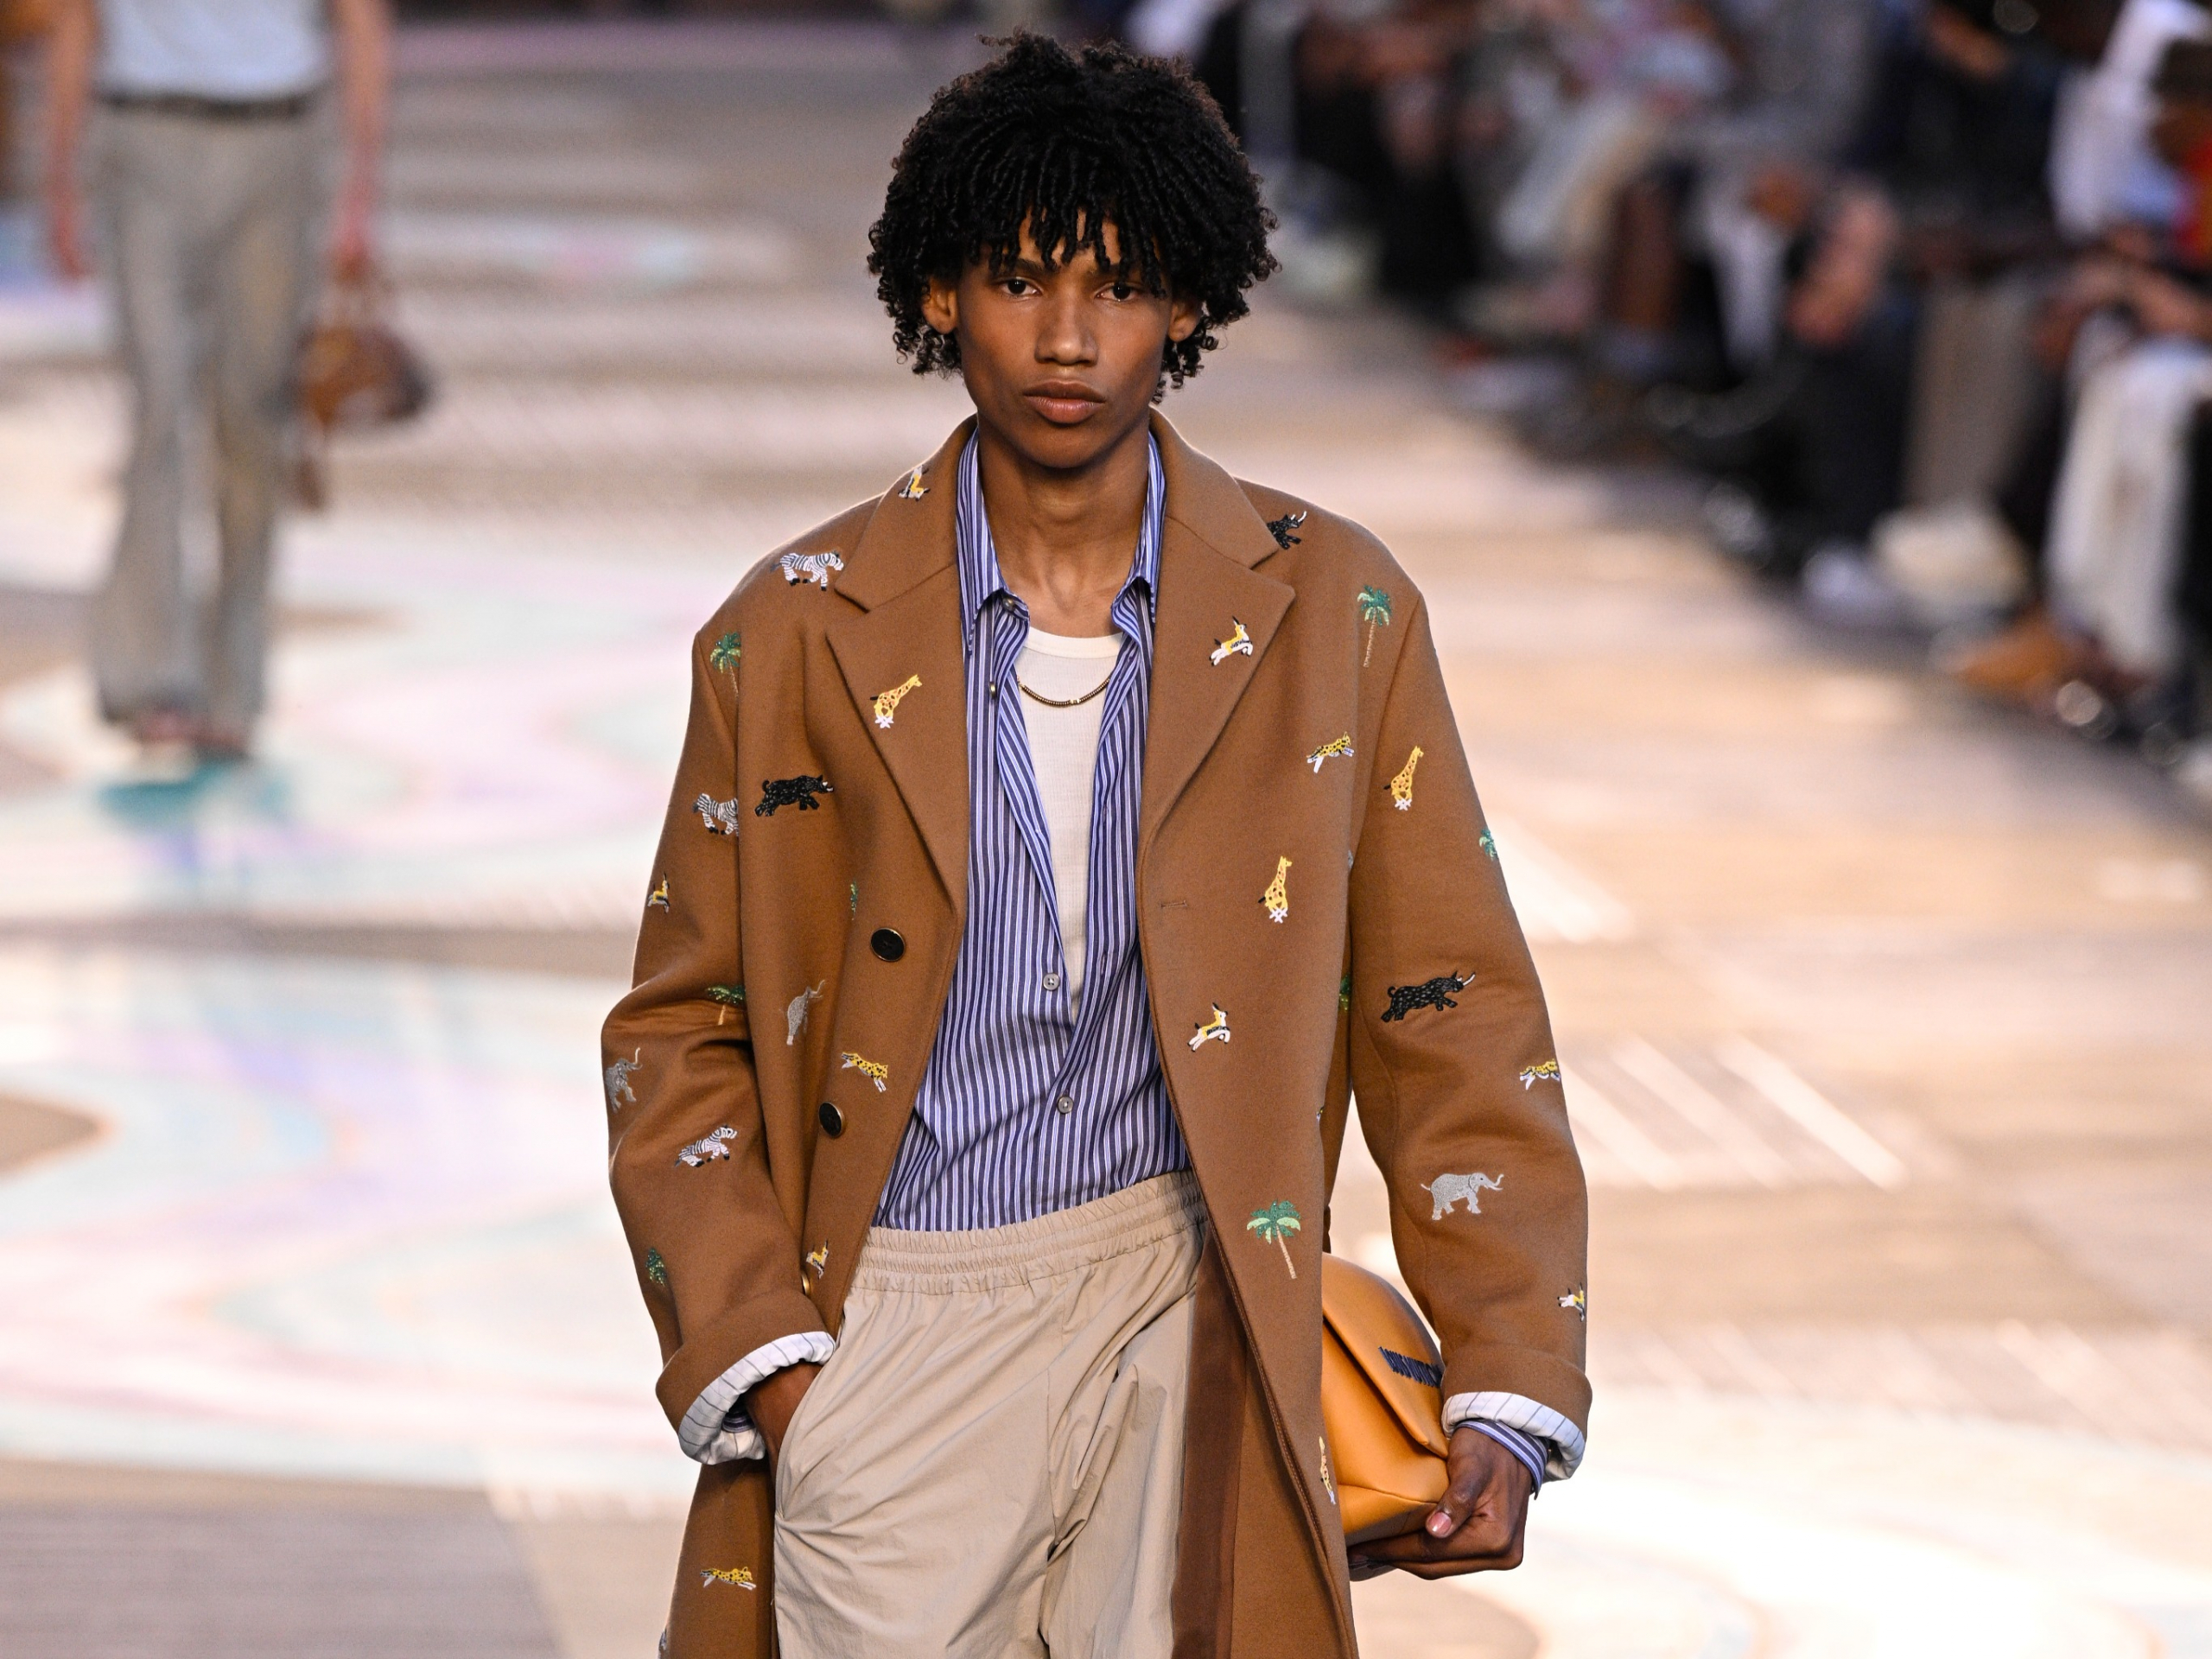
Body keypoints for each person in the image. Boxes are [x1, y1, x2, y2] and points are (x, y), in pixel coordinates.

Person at [604, 35, 1590, 1658]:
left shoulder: (1332, 610)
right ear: (938, 294)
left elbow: (1452, 997)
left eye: (1121, 287)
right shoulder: (795, 630)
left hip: (1191, 1300)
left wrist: (1507, 1367)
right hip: (899, 1313)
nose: (1068, 338)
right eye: (1019, 280)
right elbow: (681, 1026)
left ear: (1189, 304)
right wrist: (777, 1370)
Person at [41, 0, 391, 764]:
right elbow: (74, 19)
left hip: (278, 139)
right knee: (158, 405)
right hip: (141, 136)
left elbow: (361, 21)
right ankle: (152, 677)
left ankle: (236, 681)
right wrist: (59, 180)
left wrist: (360, 195)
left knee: (253, 418)